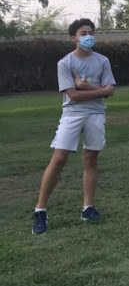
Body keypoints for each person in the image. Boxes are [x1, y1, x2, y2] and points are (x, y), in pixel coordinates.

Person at [31, 18, 116, 235]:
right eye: (83, 33)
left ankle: (87, 208)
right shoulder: (65, 63)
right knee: (59, 159)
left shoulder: (102, 61)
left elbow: (111, 90)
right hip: (72, 115)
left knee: (91, 158)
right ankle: (40, 210)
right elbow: (73, 95)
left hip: (96, 114)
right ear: (73, 38)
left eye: (91, 32)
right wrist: (98, 91)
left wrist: (86, 86)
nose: (88, 36)